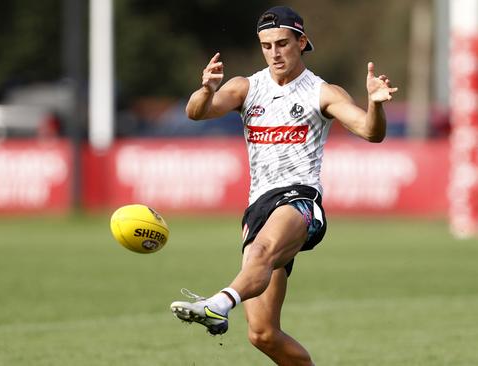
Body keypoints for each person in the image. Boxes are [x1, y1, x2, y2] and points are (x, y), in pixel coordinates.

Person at [170, 5, 397, 365]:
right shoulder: (246, 87)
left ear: (301, 42)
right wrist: (206, 88)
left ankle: (216, 304)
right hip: (259, 207)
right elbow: (197, 112)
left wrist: (375, 105)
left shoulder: (323, 92)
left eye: (282, 43)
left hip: (300, 201)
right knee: (262, 334)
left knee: (260, 253)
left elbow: (371, 132)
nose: (274, 53)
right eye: (266, 45)